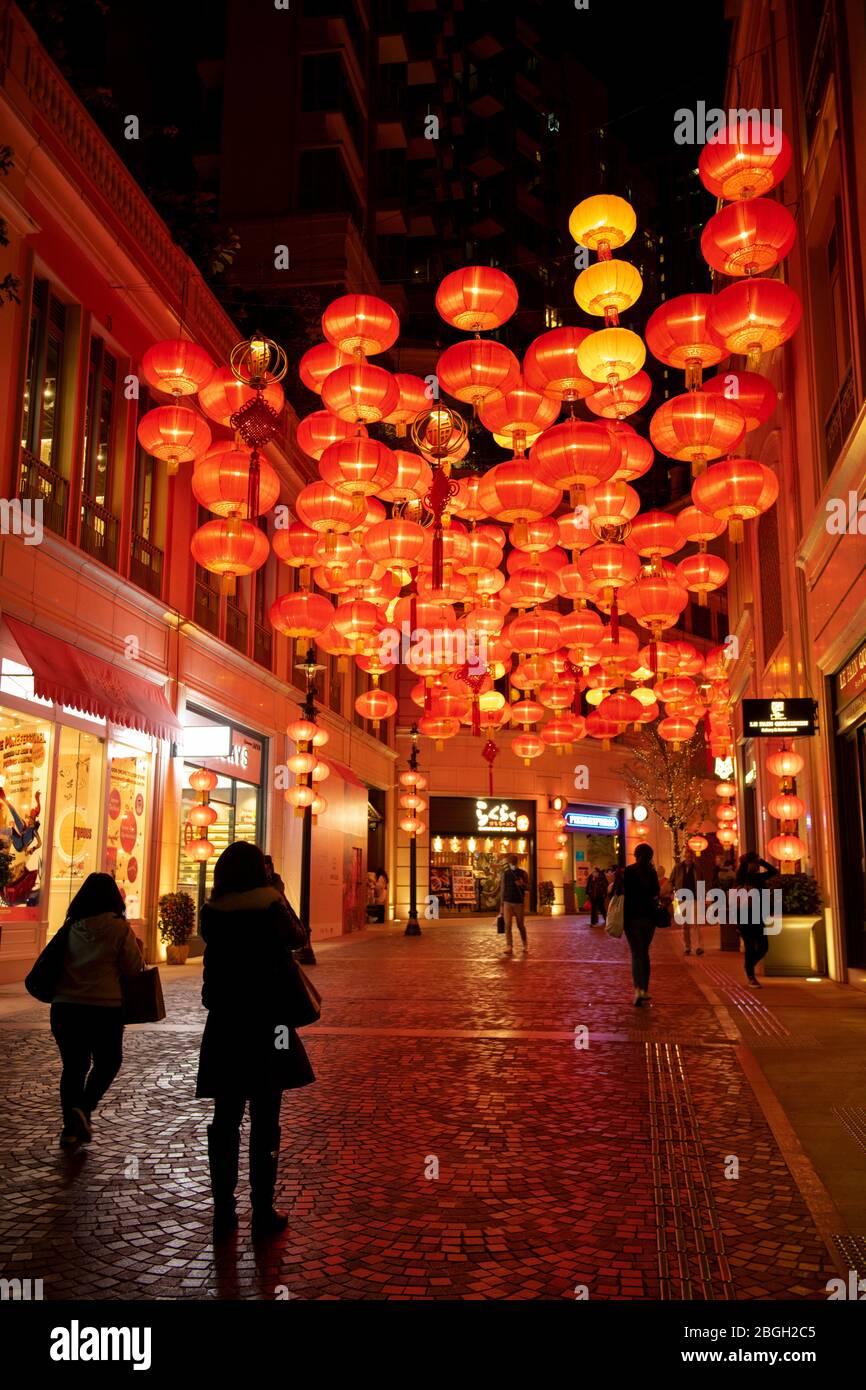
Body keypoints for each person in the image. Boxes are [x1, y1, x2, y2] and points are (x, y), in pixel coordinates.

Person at [197, 841, 315, 1241]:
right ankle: (262, 1209)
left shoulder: (212, 915)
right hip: (269, 1027)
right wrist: (278, 892)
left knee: (224, 1119)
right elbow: (299, 936)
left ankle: (223, 1210)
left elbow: (209, 988)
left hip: (226, 1027)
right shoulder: (271, 907)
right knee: (266, 1121)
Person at [48, 873, 144, 1149]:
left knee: (74, 1067)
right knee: (108, 1062)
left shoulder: (71, 927)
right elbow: (133, 968)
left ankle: (70, 1127)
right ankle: (84, 1108)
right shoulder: (119, 929)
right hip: (104, 1008)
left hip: (66, 1007)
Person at [616, 843, 661, 1007]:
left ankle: (638, 990)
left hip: (631, 918)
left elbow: (619, 892)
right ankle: (644, 988)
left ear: (636, 855)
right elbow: (656, 892)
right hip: (649, 918)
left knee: (637, 953)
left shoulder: (628, 871)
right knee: (644, 952)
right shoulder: (652, 872)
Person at [734, 851, 776, 987]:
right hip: (745, 916)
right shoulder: (741, 878)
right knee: (750, 946)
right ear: (750, 863)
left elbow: (774, 871)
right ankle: (751, 976)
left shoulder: (758, 878)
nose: (758, 864)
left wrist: (762, 861)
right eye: (756, 862)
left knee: (764, 946)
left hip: (758, 916)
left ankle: (749, 967)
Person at [672, 849, 703, 955]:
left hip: (694, 898)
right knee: (685, 924)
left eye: (690, 857)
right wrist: (671, 893)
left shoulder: (697, 869)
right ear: (684, 857)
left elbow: (701, 882)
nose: (689, 859)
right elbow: (671, 881)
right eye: (687, 857)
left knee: (695, 923)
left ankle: (698, 946)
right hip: (682, 898)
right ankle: (687, 946)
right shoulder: (678, 868)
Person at [500, 853, 529, 956]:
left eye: (511, 863)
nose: (510, 865)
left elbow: (528, 887)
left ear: (515, 862)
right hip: (507, 902)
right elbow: (503, 889)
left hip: (519, 903)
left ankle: (525, 944)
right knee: (507, 925)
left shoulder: (523, 873)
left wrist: (522, 884)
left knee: (520, 925)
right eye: (509, 863)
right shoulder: (505, 874)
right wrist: (501, 905)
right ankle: (509, 946)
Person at [657, 864, 674, 929]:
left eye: (660, 870)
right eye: (658, 870)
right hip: (658, 901)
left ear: (663, 872)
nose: (659, 871)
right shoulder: (654, 881)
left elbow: (669, 890)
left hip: (666, 901)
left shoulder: (667, 881)